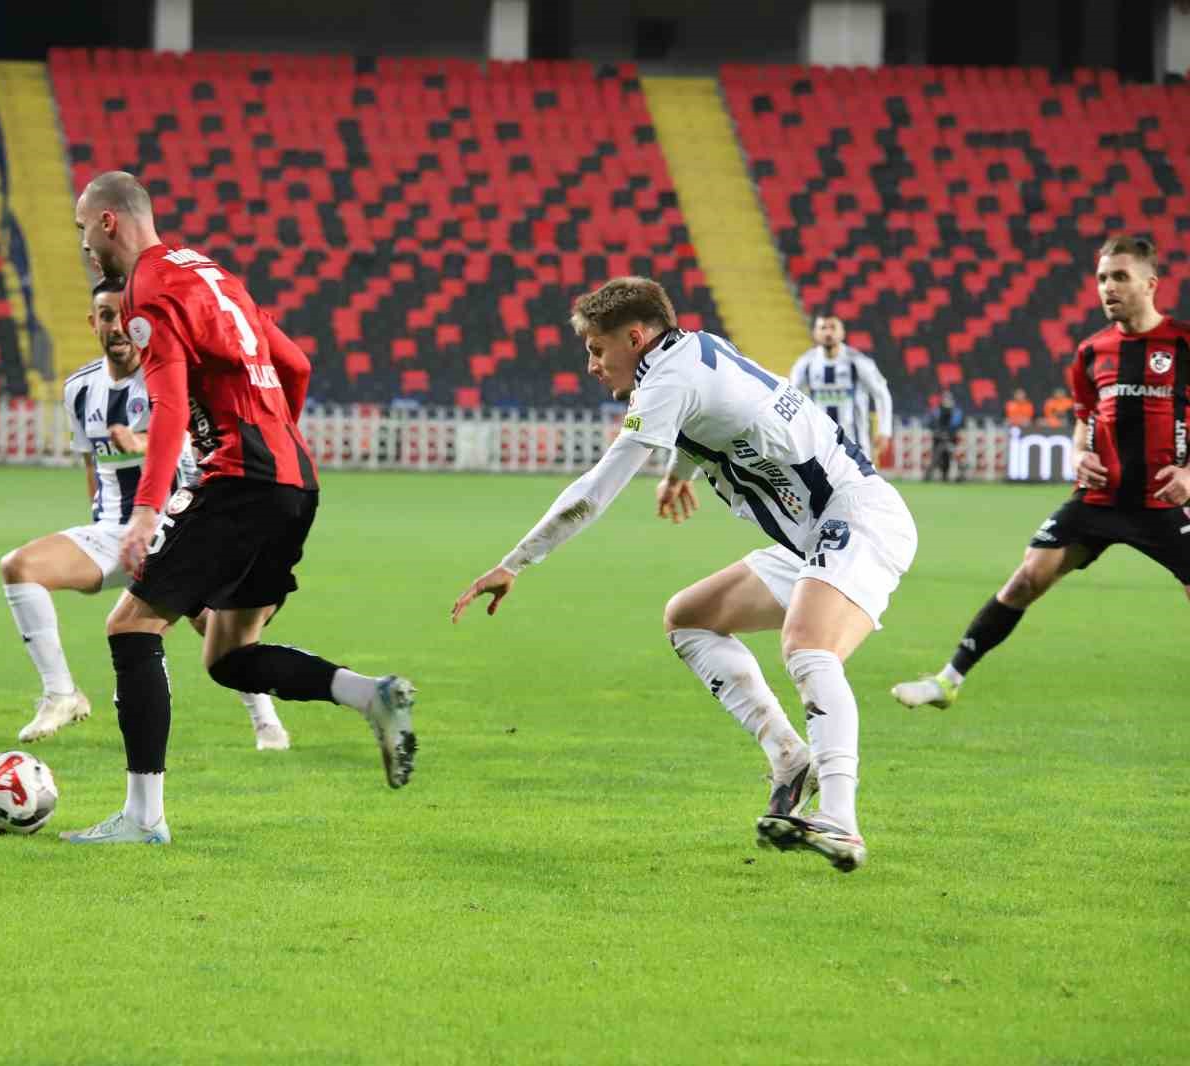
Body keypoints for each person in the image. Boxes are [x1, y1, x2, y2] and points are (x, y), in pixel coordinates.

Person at [452, 277, 917, 873]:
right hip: (813, 536)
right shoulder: (693, 349)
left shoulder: (665, 380)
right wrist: (680, 471)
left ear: (636, 338)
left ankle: (842, 820)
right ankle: (788, 757)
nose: (592, 365)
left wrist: (514, 562)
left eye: (597, 349)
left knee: (808, 647)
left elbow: (596, 490)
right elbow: (717, 415)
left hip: (856, 517)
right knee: (689, 619)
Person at [59, 170, 416, 845]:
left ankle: (143, 819)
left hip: (242, 478)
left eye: (84, 230)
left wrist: (144, 513)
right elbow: (298, 365)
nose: (83, 246)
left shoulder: (149, 288)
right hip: (293, 481)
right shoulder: (214, 276)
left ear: (110, 223)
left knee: (130, 626)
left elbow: (166, 405)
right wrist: (277, 455)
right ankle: (374, 695)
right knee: (227, 655)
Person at [894, 234, 1190, 711]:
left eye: (1119, 277)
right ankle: (947, 681)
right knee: (1027, 578)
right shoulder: (1092, 352)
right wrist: (1077, 457)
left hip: (1162, 502)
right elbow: (1082, 419)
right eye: (1101, 278)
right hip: (1097, 499)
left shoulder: (1182, 342)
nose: (1107, 287)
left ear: (1150, 283)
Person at [0, 279, 290, 751]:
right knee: (19, 567)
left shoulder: (171, 378)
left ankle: (265, 718)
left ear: (141, 324)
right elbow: (91, 463)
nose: (116, 327)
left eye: (123, 317)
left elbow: (190, 439)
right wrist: (100, 520)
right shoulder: (79, 388)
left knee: (211, 624)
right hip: (114, 530)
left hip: (177, 528)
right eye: (105, 316)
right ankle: (61, 694)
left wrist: (142, 442)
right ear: (94, 323)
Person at [788, 315, 893, 461]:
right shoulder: (805, 363)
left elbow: (881, 393)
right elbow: (789, 394)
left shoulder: (857, 361)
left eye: (833, 327)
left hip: (856, 446)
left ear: (842, 332)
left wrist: (884, 430)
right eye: (823, 328)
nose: (828, 333)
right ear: (815, 333)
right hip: (820, 447)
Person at [924, 390, 963, 482]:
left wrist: (950, 433)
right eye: (945, 399)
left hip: (951, 439)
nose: (946, 401)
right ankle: (929, 476)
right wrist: (938, 432)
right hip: (938, 439)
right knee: (936, 458)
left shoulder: (956, 412)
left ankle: (958, 475)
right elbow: (931, 423)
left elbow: (957, 424)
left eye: (948, 399)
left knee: (952, 457)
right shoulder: (936, 411)